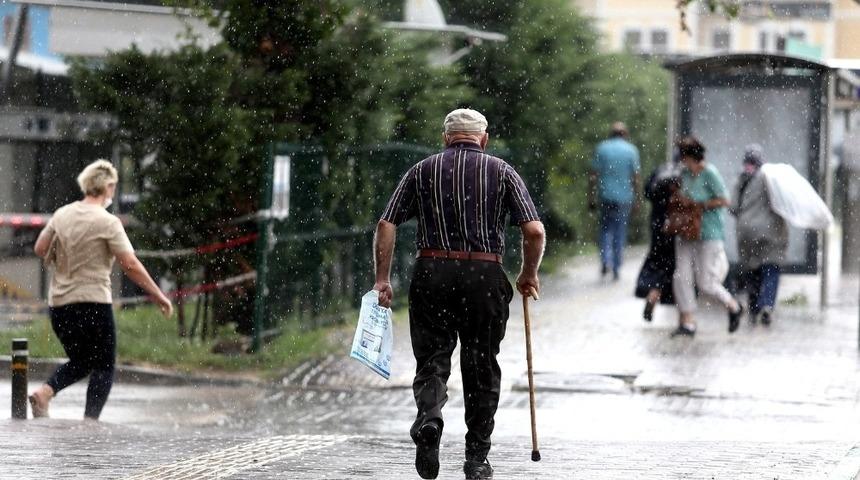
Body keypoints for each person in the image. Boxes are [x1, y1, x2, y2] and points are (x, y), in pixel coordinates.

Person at [373, 108, 545, 480]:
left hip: (432, 272)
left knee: (433, 358)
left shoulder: (422, 170)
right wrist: (528, 273)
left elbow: (387, 223)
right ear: (483, 139)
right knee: (481, 365)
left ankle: (430, 418)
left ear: (445, 137)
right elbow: (533, 231)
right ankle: (477, 458)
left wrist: (381, 279)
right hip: (484, 277)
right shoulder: (502, 171)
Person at [28, 159, 173, 420]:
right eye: (113, 187)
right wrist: (158, 294)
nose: (113, 192)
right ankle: (90, 422)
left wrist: (63, 260)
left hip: (60, 305)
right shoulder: (108, 222)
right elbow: (129, 263)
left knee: (82, 361)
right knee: (104, 365)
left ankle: (45, 393)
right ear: (107, 186)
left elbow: (40, 248)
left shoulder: (62, 214)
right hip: (93, 302)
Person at [671, 136, 743, 337]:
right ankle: (688, 321)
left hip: (709, 232)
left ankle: (733, 306)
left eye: (684, 157)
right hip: (686, 231)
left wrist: (701, 205)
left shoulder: (710, 173)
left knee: (706, 282)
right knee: (681, 276)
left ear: (691, 157)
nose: (682, 161)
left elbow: (725, 200)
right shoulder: (684, 174)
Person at [730, 144, 787, 326]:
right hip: (770, 231)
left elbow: (732, 207)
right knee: (771, 268)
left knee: (752, 270)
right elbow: (782, 202)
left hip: (746, 231)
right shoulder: (769, 177)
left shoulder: (741, 179)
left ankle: (754, 308)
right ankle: (767, 305)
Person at [589, 121, 640, 280]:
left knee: (605, 230)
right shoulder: (631, 151)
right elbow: (636, 178)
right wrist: (638, 200)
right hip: (624, 198)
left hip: (606, 196)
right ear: (625, 134)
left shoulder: (602, 148)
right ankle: (616, 266)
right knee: (619, 231)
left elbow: (593, 176)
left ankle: (605, 260)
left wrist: (591, 197)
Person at [635, 153, 680, 321]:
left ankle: (652, 292)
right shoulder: (683, 176)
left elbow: (647, 192)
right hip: (674, 226)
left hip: (656, 224)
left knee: (656, 260)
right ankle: (663, 298)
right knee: (672, 265)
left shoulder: (661, 170)